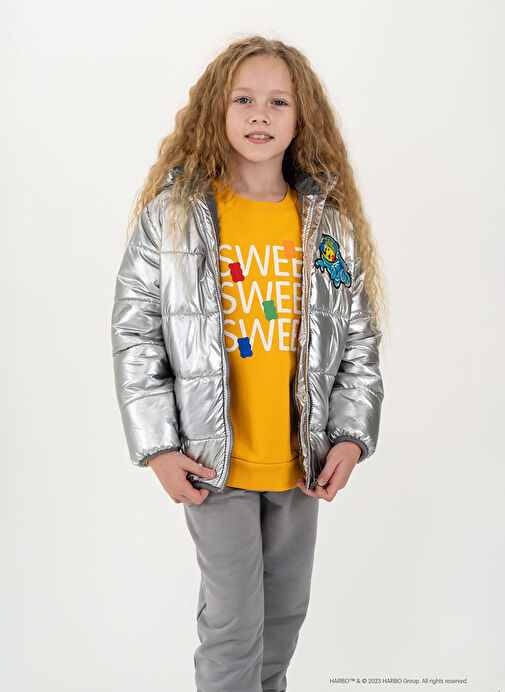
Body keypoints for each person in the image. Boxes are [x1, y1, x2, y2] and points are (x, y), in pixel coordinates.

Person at [111, 34, 386, 692]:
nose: (260, 114)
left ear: (301, 117)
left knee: (283, 621)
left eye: (277, 102)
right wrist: (158, 447)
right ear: (217, 109)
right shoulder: (174, 218)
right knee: (234, 625)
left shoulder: (326, 228)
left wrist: (350, 436)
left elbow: (357, 337)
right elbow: (135, 334)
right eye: (243, 100)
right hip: (213, 463)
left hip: (300, 462)